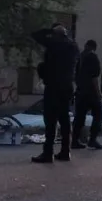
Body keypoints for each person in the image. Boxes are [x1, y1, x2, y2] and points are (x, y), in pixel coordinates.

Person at [31, 23, 79, 163]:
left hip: (53, 86)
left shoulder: (54, 44)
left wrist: (49, 30)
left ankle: (48, 153)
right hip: (67, 86)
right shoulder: (73, 46)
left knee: (51, 121)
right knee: (64, 120)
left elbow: (35, 35)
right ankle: (65, 151)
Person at [72, 39, 102, 150]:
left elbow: (75, 76)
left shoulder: (79, 58)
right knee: (99, 115)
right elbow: (94, 78)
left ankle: (74, 140)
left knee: (79, 118)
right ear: (94, 48)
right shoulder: (93, 57)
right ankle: (92, 139)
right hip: (90, 93)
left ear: (86, 46)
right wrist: (98, 92)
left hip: (80, 92)